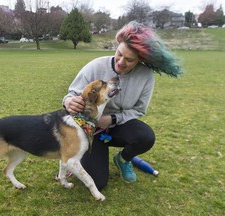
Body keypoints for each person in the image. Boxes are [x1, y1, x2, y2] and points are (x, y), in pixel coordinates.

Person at [62, 21, 183, 190]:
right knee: (97, 182)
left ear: (140, 59)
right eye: (119, 54)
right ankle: (82, 155)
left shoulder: (146, 76)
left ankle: (123, 159)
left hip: (119, 126)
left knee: (145, 136)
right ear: (117, 46)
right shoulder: (96, 66)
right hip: (92, 131)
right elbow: (71, 94)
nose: (120, 62)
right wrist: (68, 101)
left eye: (129, 59)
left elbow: (139, 109)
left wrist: (112, 119)